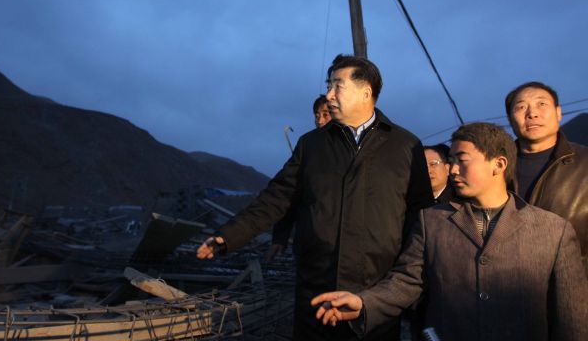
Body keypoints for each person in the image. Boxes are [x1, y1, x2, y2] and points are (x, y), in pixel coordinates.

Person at [197, 54, 433, 340]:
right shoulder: (312, 145)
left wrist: (407, 280)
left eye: (337, 86)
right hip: (316, 286)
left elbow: (421, 218)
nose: (329, 95)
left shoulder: (405, 146)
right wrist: (228, 236)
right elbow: (276, 198)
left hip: (375, 291)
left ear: (366, 91)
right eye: (328, 85)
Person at [312, 122, 587, 341]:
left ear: (499, 164)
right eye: (451, 160)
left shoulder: (554, 230)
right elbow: (407, 281)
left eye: (462, 159)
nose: (453, 169)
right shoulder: (432, 221)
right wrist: (364, 302)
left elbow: (572, 318)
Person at [505, 81, 588, 273]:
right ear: (510, 119)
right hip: (508, 289)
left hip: (575, 286)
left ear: (559, 113)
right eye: (521, 107)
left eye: (541, 104)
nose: (532, 113)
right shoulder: (495, 168)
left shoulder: (585, 162)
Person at [267, 95, 332, 262]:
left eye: (326, 114)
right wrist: (280, 237)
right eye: (317, 115)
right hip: (309, 247)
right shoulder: (307, 148)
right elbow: (289, 193)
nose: (320, 120)